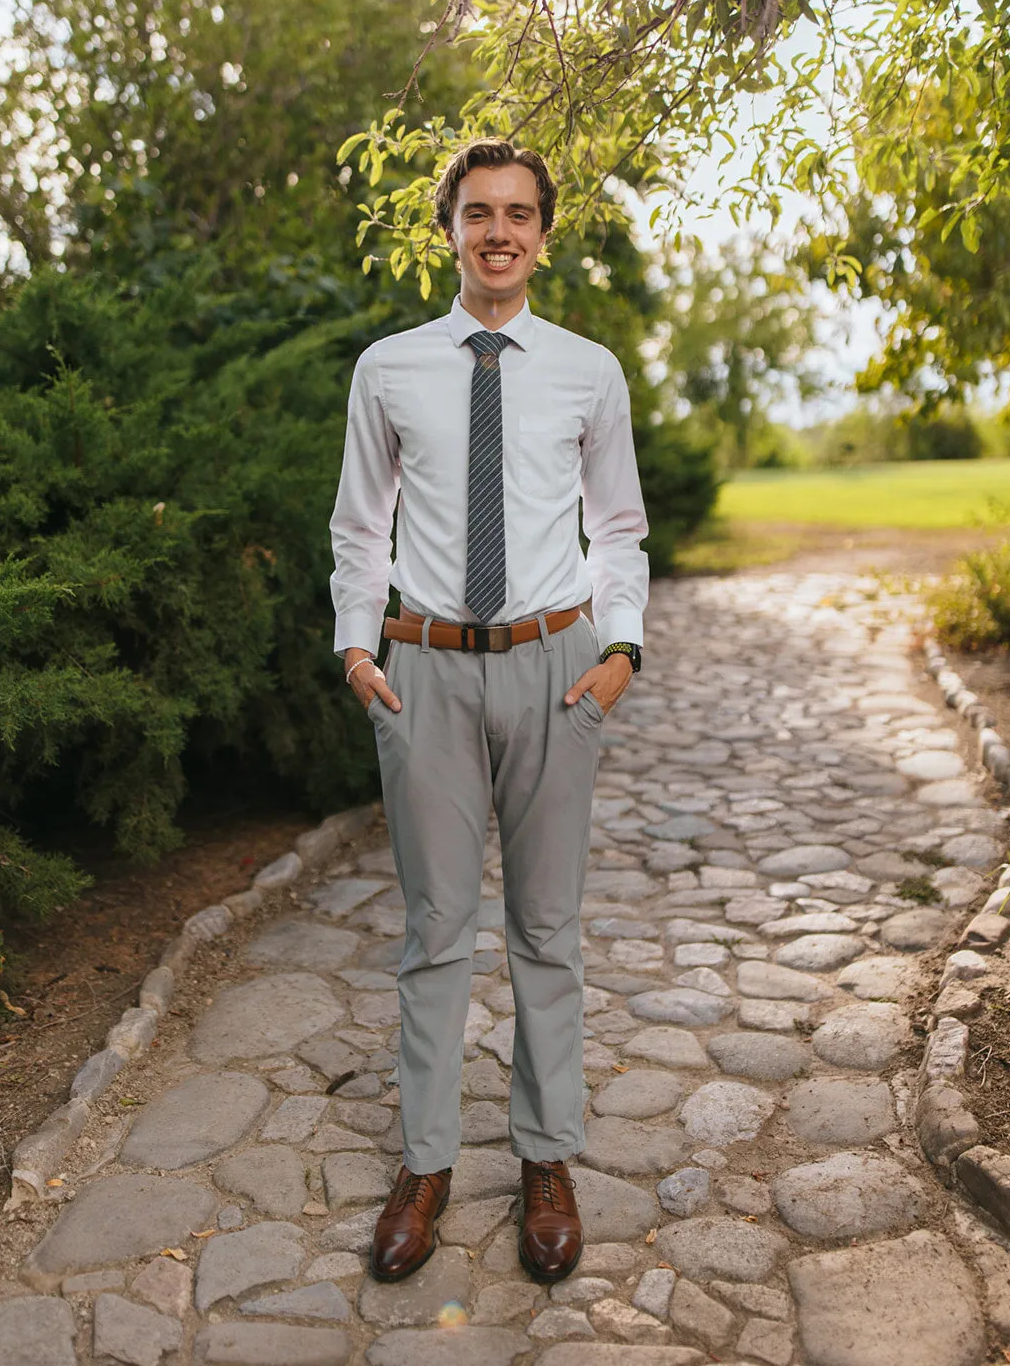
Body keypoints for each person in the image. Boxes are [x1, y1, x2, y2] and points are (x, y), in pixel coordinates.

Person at [329, 138, 649, 1286]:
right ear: (448, 229)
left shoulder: (587, 370)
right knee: (432, 934)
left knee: (547, 934)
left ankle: (546, 1157)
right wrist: (356, 645)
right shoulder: (389, 368)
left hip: (556, 668)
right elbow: (360, 526)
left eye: (518, 213)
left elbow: (617, 526)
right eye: (478, 212)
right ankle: (423, 1164)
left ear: (544, 236)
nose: (498, 230)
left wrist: (620, 651)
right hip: (422, 675)